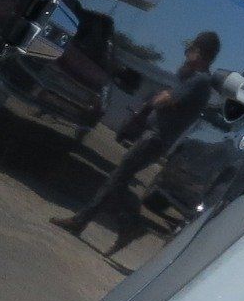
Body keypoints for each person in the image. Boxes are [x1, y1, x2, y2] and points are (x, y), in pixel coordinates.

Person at [53, 31, 222, 248]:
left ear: (200, 52)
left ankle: (126, 224)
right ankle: (103, 223)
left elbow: (164, 100)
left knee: (118, 178)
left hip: (156, 139)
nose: (186, 53)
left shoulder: (199, 81)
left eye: (191, 49)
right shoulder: (193, 79)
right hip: (155, 137)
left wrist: (159, 98)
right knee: (118, 178)